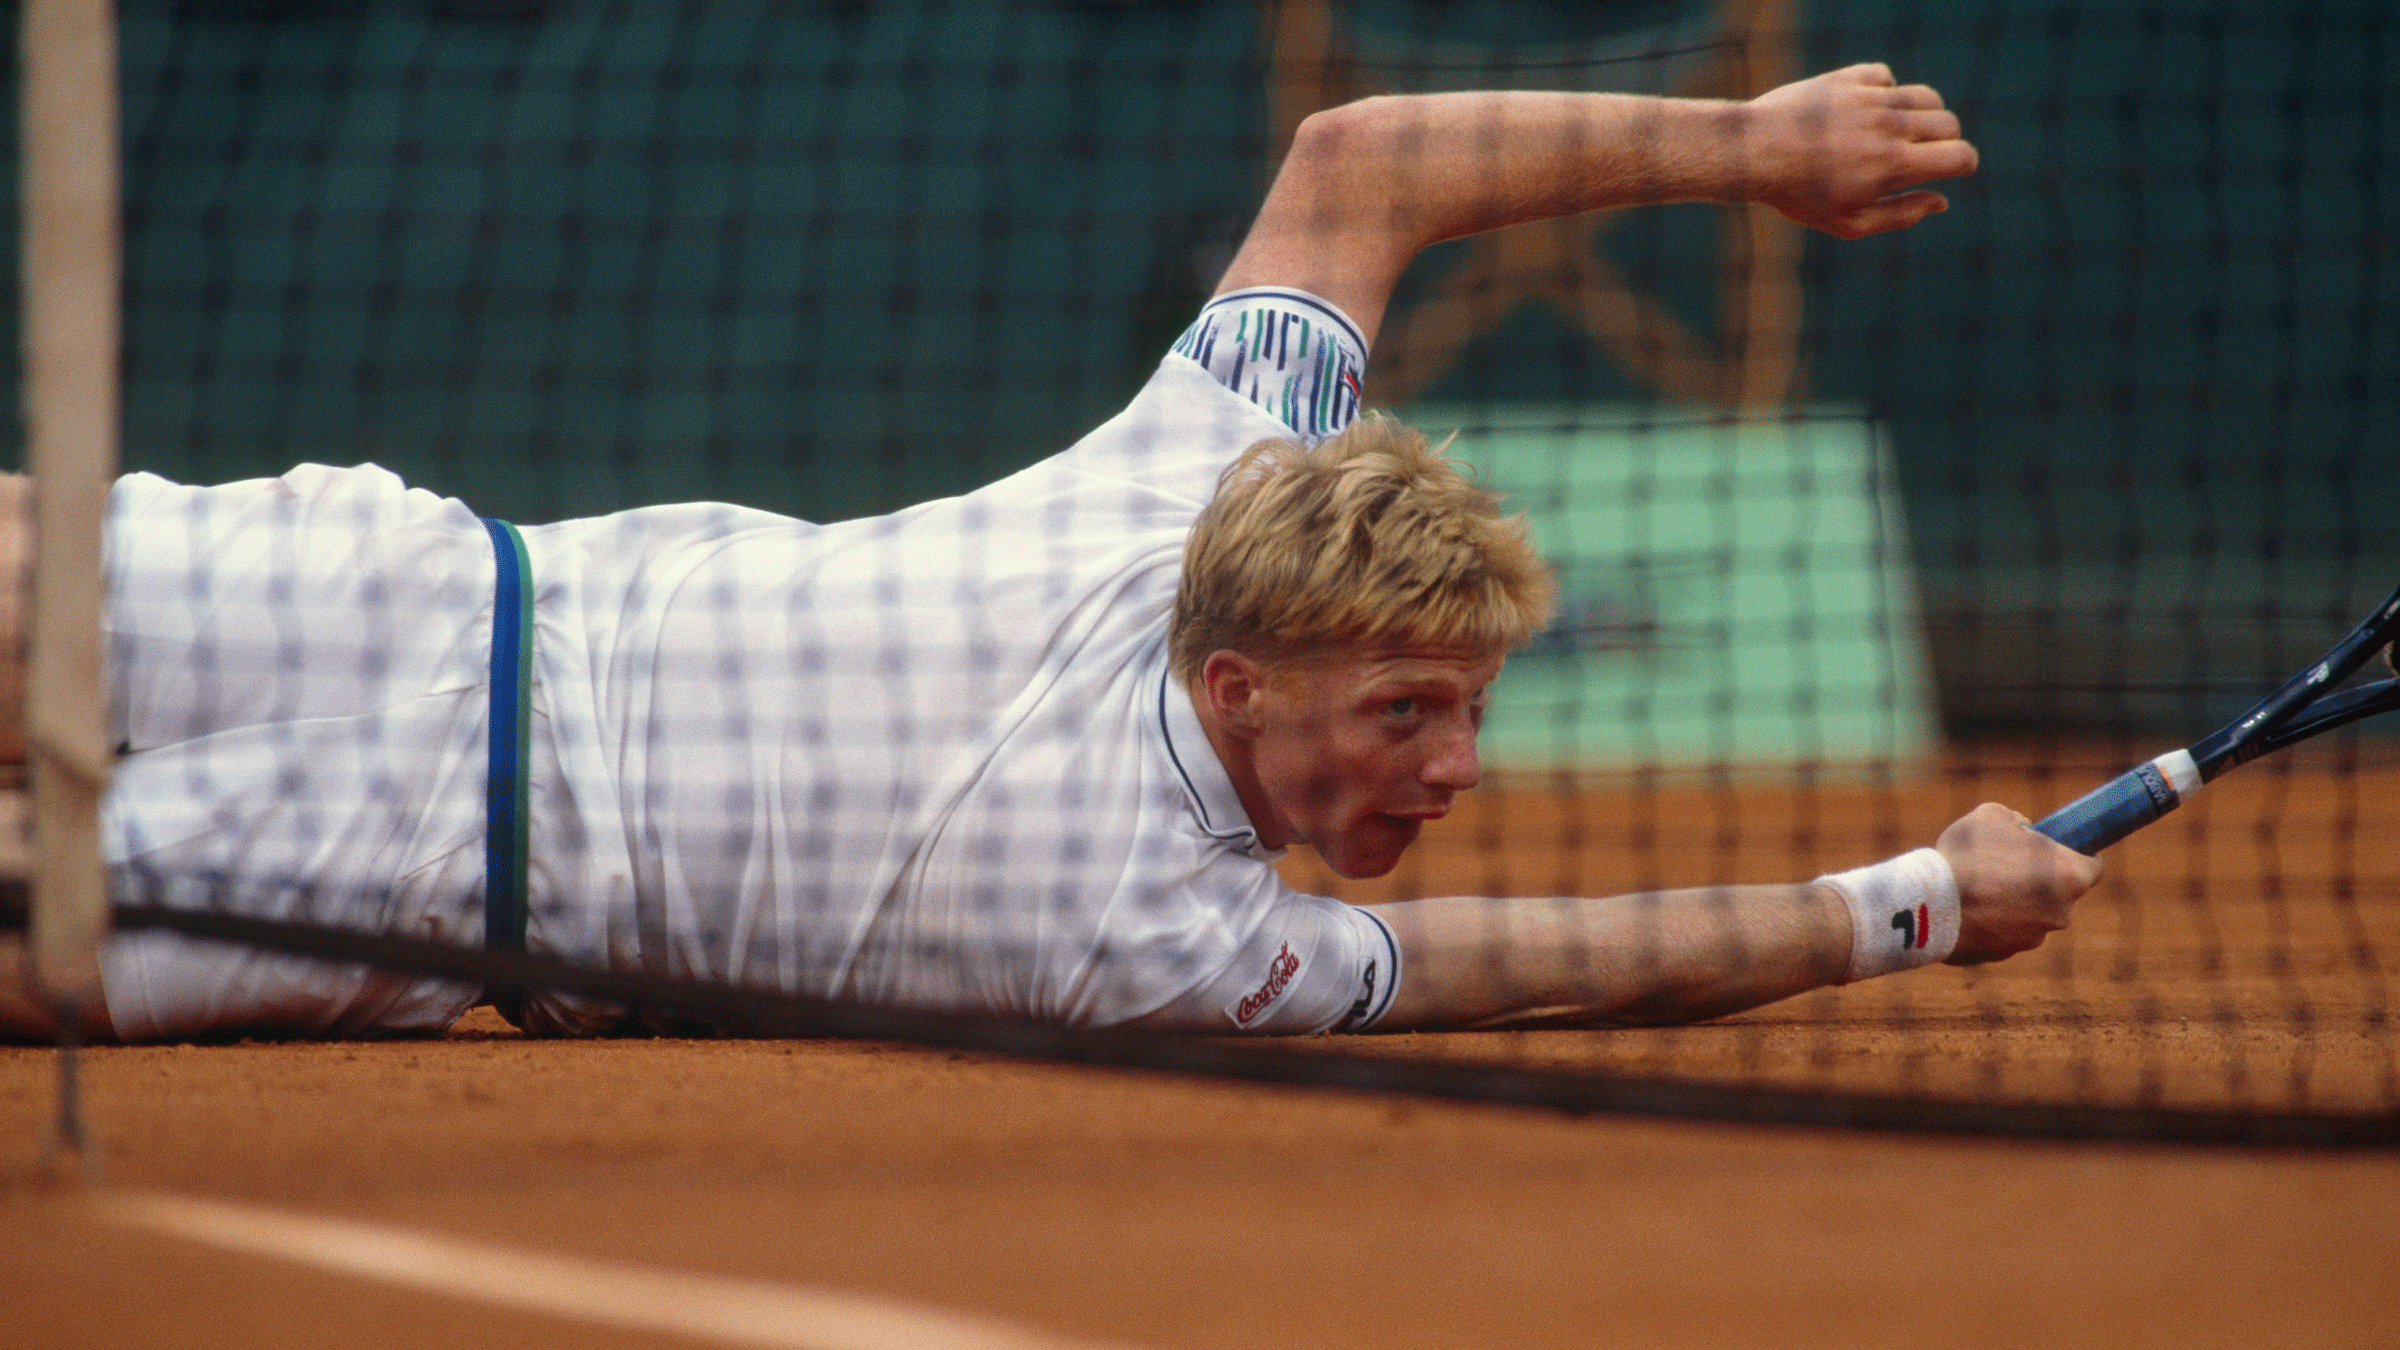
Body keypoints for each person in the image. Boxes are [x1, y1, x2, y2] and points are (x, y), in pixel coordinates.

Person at [0, 63, 2102, 1042]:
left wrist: (1902, 908)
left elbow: (1548, 963)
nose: (1457, 772)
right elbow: (1363, 160)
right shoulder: (1188, 567)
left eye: (1463, 712)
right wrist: (1739, 141)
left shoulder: (1192, 929)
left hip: (423, 888)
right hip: (445, 592)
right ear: (1238, 679)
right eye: (1408, 711)